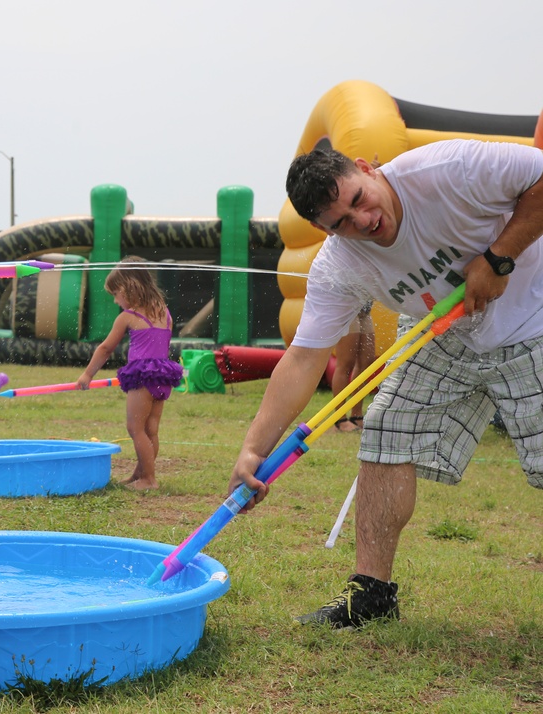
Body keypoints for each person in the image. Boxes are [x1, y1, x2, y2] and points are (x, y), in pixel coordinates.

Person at [229, 139, 543, 628]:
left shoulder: (448, 169)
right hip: (443, 336)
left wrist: (499, 257)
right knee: (384, 434)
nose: (363, 221)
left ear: (365, 169)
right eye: (341, 223)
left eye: (358, 199)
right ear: (321, 229)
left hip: (536, 322)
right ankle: (371, 595)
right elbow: (304, 358)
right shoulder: (337, 267)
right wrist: (253, 448)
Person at [76, 256, 183, 490]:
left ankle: (149, 479)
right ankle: (141, 473)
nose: (115, 300)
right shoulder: (165, 313)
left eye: (116, 294)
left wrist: (87, 375)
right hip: (163, 377)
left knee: (135, 428)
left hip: (142, 378)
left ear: (128, 287)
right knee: (150, 429)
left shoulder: (128, 317)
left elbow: (105, 348)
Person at [330, 303, 376, 432]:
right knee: (345, 364)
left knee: (366, 362)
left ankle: (356, 415)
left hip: (364, 309)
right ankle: (340, 419)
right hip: (347, 308)